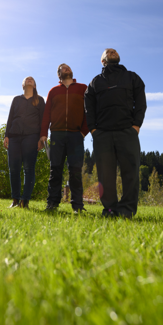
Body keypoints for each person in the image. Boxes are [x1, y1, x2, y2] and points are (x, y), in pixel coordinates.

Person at [84, 48, 147, 218]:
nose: (112, 51)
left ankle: (127, 210)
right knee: (106, 175)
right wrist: (94, 130)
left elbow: (141, 103)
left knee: (131, 172)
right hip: (102, 134)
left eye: (114, 51)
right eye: (107, 52)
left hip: (127, 132)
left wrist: (136, 126)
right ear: (102, 61)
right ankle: (110, 210)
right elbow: (88, 108)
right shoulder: (95, 82)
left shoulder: (132, 77)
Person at [39, 63, 89, 213]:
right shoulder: (53, 91)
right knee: (55, 170)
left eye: (68, 67)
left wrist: (83, 132)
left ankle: (77, 206)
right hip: (57, 134)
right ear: (59, 75)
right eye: (63, 68)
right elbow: (47, 113)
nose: (67, 69)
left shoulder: (83, 88)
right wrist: (43, 134)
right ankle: (52, 204)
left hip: (76, 135)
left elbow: (89, 111)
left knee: (75, 170)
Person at [4, 76, 45, 209]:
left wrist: (42, 137)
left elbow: (43, 120)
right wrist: (7, 135)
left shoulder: (39, 100)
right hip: (14, 137)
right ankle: (15, 200)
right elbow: (10, 117)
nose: (29, 79)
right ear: (23, 85)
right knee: (14, 169)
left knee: (29, 169)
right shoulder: (16, 99)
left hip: (31, 137)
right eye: (26, 79)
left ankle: (24, 201)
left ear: (34, 85)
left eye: (32, 79)